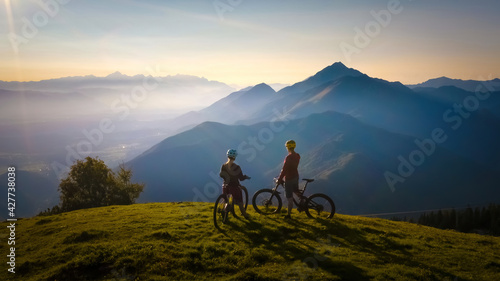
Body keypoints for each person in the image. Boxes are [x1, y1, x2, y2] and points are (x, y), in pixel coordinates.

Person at [219, 149, 251, 219]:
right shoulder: (237, 167)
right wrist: (246, 177)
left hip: (225, 186)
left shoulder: (223, 166)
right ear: (235, 157)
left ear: (227, 156)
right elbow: (241, 178)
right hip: (234, 187)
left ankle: (225, 211)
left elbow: (221, 175)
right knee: (239, 201)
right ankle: (245, 214)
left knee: (226, 200)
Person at [277, 140, 301, 219]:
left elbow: (284, 169)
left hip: (289, 178)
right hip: (296, 176)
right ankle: (302, 204)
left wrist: (279, 179)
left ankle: (289, 215)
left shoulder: (288, 157)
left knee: (289, 197)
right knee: (296, 191)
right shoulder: (297, 155)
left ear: (288, 147)